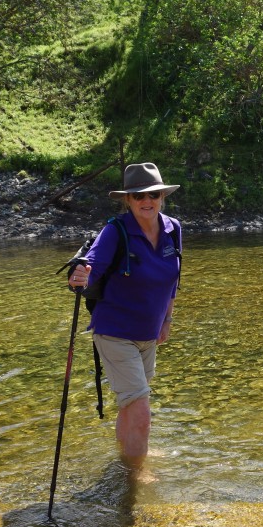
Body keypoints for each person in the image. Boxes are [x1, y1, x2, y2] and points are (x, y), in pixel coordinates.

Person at [66, 162, 181, 472]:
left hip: (149, 334)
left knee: (131, 406)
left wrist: (167, 320)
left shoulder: (173, 229)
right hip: (115, 333)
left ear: (162, 196)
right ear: (128, 200)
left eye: (154, 194)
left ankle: (124, 460)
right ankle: (136, 476)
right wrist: (81, 276)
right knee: (142, 414)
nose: (148, 200)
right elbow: (92, 268)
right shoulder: (115, 231)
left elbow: (173, 280)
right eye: (139, 195)